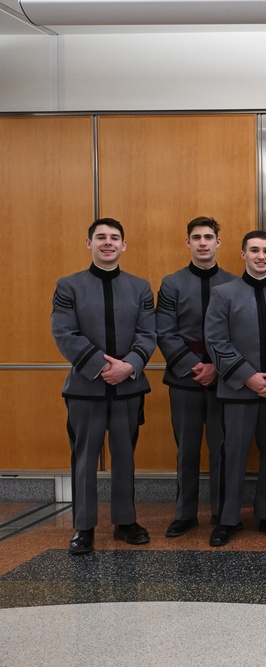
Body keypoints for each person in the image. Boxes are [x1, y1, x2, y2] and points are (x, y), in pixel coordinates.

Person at [52, 218, 156, 555]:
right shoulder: (68, 286)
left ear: (124, 245)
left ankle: (125, 521)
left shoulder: (140, 287)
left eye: (114, 238)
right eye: (101, 238)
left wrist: (129, 367)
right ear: (89, 244)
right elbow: (64, 333)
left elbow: (148, 333)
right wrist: (101, 367)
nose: (108, 243)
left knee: (125, 456)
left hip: (128, 386)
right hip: (85, 388)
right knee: (84, 459)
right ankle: (84, 527)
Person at [204, 230, 266, 546]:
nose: (260, 256)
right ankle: (228, 519)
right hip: (238, 390)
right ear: (243, 254)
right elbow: (216, 340)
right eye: (254, 250)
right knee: (234, 454)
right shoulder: (223, 293)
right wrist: (248, 376)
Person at [156, 216, 236, 537]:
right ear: (187, 243)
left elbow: (238, 332)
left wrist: (217, 366)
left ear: (218, 242)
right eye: (196, 237)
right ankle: (185, 513)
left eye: (208, 237)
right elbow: (164, 331)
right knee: (187, 449)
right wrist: (195, 366)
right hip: (184, 379)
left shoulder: (233, 283)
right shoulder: (172, 283)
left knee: (222, 448)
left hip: (223, 378)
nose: (203, 242)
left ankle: (221, 511)